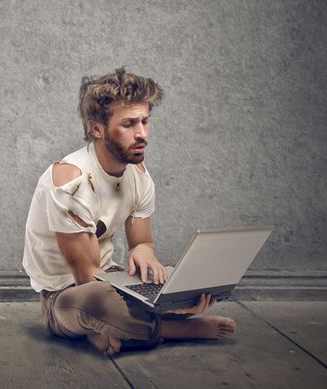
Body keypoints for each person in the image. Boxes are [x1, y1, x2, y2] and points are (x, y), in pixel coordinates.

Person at [21, 67, 236, 356]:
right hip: (67, 297)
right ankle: (174, 329)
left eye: (145, 121)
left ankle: (110, 330)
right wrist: (161, 307)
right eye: (129, 124)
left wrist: (148, 261)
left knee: (181, 280)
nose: (142, 134)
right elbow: (86, 276)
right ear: (96, 128)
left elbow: (142, 244)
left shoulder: (139, 176)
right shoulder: (70, 181)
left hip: (113, 277)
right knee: (100, 302)